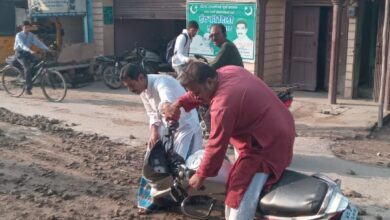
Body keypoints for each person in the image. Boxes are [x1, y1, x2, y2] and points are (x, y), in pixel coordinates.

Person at [164, 62, 295, 220]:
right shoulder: (228, 71)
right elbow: (197, 94)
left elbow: (216, 145)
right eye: (192, 92)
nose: (196, 97)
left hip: (267, 143)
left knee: (239, 192)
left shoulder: (223, 104)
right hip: (275, 125)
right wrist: (179, 103)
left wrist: (201, 175)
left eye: (196, 92)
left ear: (210, 82)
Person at [119, 63, 203, 214]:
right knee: (152, 157)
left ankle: (182, 196)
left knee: (178, 164)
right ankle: (154, 198)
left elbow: (167, 102)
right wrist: (153, 132)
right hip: (168, 126)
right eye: (127, 86)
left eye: (131, 85)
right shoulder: (143, 90)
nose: (130, 90)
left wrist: (166, 110)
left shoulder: (162, 82)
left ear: (140, 77)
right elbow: (152, 114)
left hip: (186, 126)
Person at [13, 20, 51, 95]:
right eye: (25, 27)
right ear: (22, 28)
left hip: (27, 52)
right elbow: (21, 45)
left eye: (28, 28)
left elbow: (38, 42)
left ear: (30, 28)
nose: (27, 29)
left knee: (37, 62)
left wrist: (47, 48)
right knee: (27, 69)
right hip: (20, 54)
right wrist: (30, 50)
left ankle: (30, 78)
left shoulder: (31, 35)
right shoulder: (19, 35)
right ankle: (28, 88)